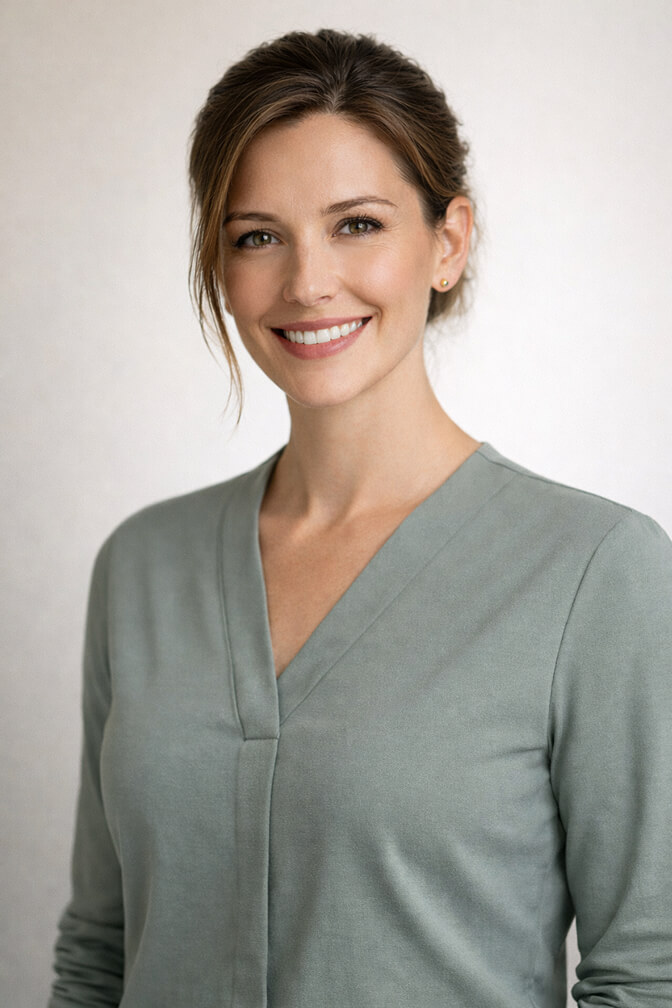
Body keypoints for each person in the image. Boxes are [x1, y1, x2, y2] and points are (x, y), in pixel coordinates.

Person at [49, 29, 672, 1008]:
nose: (306, 282)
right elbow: (97, 951)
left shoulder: (597, 573)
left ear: (448, 240)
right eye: (258, 235)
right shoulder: (141, 569)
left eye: (357, 224)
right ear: (219, 262)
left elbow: (649, 976)